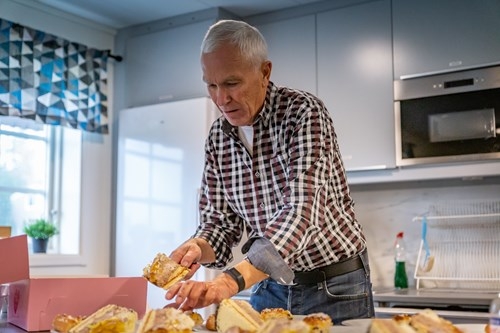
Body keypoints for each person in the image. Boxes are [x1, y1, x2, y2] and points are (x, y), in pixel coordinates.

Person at [165, 19, 374, 324]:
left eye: (232, 83)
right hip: (268, 287)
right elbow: (220, 223)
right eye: (211, 85)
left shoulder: (302, 112)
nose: (221, 99)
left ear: (265, 72)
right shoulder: (218, 136)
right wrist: (197, 247)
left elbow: (302, 213)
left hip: (335, 286)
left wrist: (230, 281)